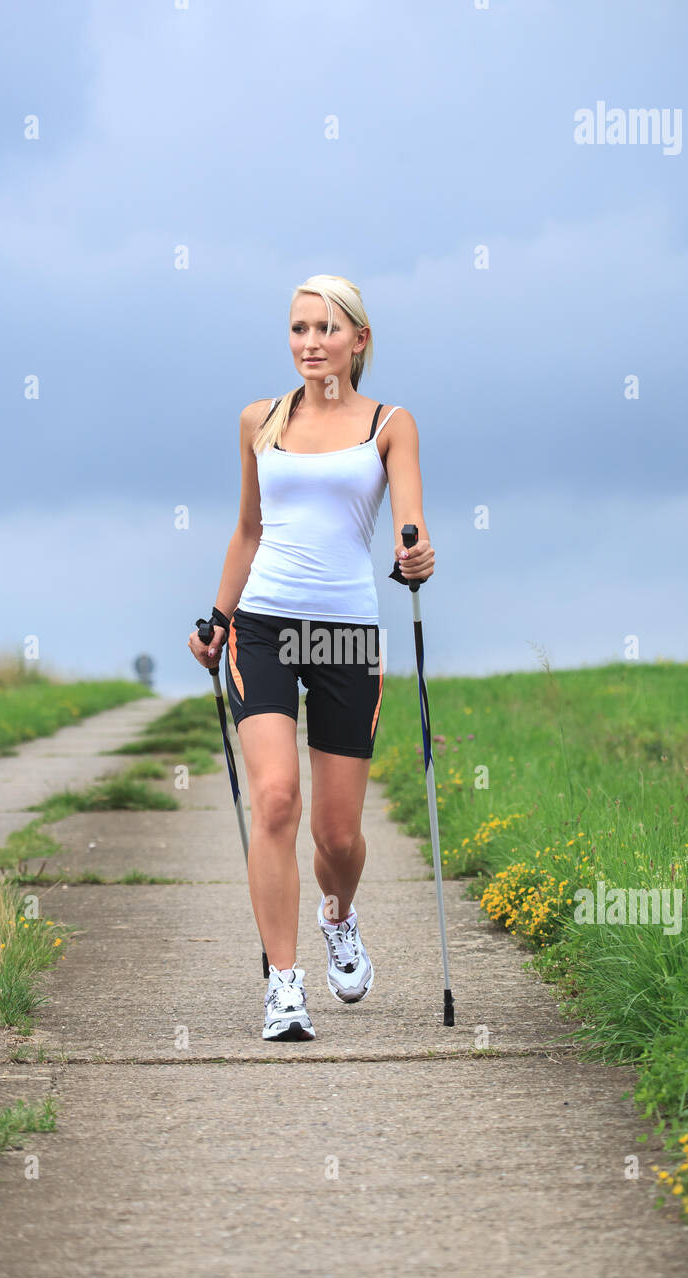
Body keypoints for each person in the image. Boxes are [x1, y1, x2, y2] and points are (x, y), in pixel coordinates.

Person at [188, 274, 435, 1040]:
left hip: (342, 635)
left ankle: (340, 913)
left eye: (326, 329)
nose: (310, 343)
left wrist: (417, 554)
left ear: (358, 340)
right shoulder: (258, 420)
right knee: (275, 801)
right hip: (262, 625)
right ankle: (285, 989)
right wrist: (219, 619)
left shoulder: (390, 424)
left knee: (335, 837)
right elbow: (248, 529)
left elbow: (409, 524)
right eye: (299, 329)